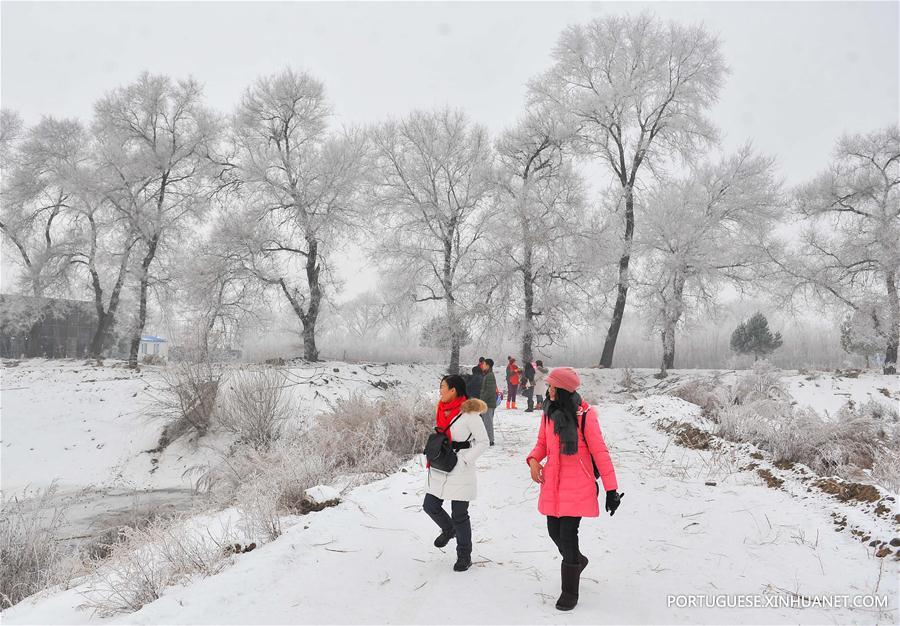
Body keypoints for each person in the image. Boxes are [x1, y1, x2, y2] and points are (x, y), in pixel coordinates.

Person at [526, 367, 623, 611]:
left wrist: (611, 490)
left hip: (578, 484)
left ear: (563, 390)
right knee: (553, 531)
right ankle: (578, 560)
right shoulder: (548, 413)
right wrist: (534, 460)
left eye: (552, 387)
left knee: (568, 535)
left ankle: (570, 591)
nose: (548, 390)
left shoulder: (585, 416)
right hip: (553, 484)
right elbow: (542, 444)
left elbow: (600, 452)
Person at [424, 375, 490, 572]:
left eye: (443, 386)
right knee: (430, 505)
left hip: (460, 468)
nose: (440, 390)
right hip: (440, 464)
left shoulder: (469, 414)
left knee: (459, 514)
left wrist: (465, 460)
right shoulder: (441, 408)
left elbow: (483, 441)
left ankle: (464, 555)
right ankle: (448, 528)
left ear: (453, 390)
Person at [478, 358, 498, 445]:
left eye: (484, 364)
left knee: (488, 422)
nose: (482, 366)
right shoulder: (487, 374)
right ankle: (486, 439)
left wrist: (482, 400)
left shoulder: (490, 375)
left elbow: (490, 391)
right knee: (485, 422)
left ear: (488, 365)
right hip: (486, 403)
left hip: (488, 404)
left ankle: (490, 440)